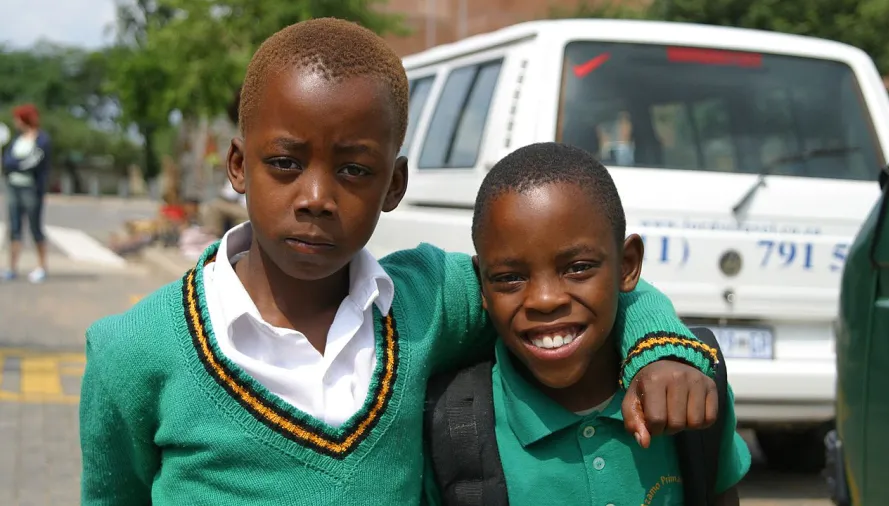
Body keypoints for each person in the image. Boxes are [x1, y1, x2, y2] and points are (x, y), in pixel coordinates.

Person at [79, 19, 721, 505]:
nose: (316, 198)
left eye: (355, 170)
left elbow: (591, 292)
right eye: (285, 164)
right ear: (239, 168)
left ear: (394, 185)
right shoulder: (135, 350)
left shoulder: (425, 300)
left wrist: (662, 352)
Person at [424, 143, 750, 506]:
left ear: (627, 266)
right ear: (481, 285)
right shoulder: (454, 429)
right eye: (509, 277)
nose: (546, 300)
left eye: (578, 268)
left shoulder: (689, 388)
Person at [1, 104, 51, 283]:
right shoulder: (17, 140)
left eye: (17, 118)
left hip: (31, 189)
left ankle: (41, 267)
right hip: (13, 187)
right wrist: (15, 164)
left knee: (35, 228)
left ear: (24, 119)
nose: (15, 122)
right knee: (14, 228)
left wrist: (16, 164)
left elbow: (33, 162)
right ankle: (11, 267)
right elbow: (7, 160)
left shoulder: (42, 140)